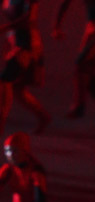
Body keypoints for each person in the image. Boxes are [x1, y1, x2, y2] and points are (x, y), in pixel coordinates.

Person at [0, 0, 48, 136]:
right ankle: (43, 116)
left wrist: (5, 28)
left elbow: (27, 19)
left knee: (5, 80)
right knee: (17, 89)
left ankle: (1, 123)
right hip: (14, 42)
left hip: (27, 44)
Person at [52, 0, 95, 119]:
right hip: (93, 27)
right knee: (87, 72)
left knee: (82, 67)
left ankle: (80, 106)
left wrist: (57, 25)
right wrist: (57, 25)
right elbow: (64, 3)